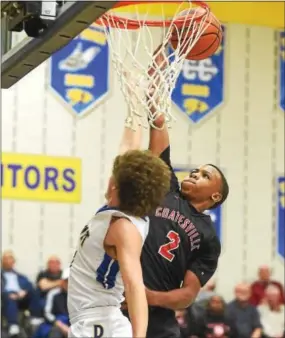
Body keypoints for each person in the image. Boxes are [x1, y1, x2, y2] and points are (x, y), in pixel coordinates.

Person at [139, 49, 229, 338]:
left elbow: (188, 294)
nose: (195, 174)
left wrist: (148, 297)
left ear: (215, 196)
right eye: (196, 170)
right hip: (116, 305)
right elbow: (160, 129)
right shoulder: (167, 188)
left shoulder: (208, 238)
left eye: (206, 175)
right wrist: (154, 88)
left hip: (157, 319)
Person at [67, 147, 171, 338]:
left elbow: (135, 286)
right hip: (94, 321)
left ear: (114, 184)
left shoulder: (123, 228)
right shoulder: (116, 212)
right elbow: (128, 148)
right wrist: (135, 120)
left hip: (99, 323)